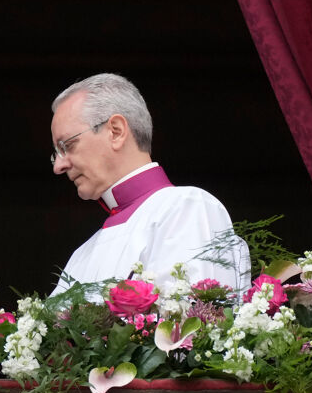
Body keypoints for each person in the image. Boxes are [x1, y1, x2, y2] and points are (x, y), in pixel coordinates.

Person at [48, 73, 250, 294]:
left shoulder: (186, 207)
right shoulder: (81, 255)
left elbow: (195, 322)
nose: (59, 166)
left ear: (116, 131)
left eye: (67, 145)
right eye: (56, 153)